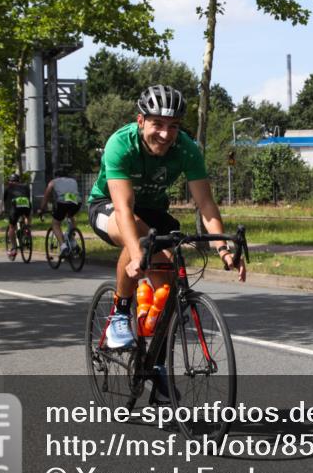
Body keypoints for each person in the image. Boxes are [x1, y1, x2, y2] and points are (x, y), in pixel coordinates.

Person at [88, 84, 246, 349]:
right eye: (157, 124)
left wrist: (222, 248)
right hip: (108, 208)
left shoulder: (186, 149)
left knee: (171, 283)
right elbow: (125, 209)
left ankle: (155, 361)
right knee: (137, 235)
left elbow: (205, 203)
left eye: (173, 126)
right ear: (141, 121)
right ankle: (120, 313)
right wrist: (138, 256)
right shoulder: (120, 144)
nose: (165, 134)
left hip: (154, 212)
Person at [39, 170, 82, 256]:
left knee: (55, 223)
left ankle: (63, 247)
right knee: (71, 216)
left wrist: (42, 208)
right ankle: (72, 241)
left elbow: (47, 195)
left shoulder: (53, 182)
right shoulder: (73, 181)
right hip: (77, 203)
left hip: (63, 203)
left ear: (56, 176)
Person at [1, 173, 32, 260]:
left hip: (15, 207)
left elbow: (2, 200)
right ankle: (27, 229)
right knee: (28, 215)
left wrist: (0, 209)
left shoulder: (8, 187)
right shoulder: (25, 186)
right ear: (19, 181)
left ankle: (14, 248)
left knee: (11, 227)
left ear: (10, 181)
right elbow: (28, 197)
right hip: (26, 204)